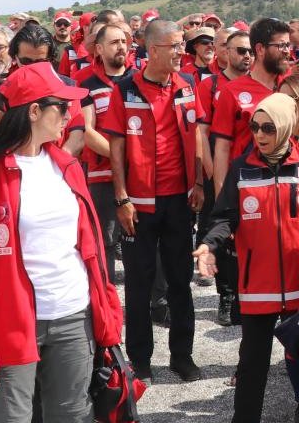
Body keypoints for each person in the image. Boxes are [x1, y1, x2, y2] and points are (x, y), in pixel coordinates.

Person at [0, 63, 123, 423]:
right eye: (61, 106)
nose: (70, 114)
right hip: (9, 323)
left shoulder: (66, 166)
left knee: (72, 417)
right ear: (34, 111)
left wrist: (107, 312)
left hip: (73, 316)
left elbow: (90, 249)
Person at [194, 95, 299, 423]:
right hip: (257, 287)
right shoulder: (241, 168)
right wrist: (209, 245)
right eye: (254, 127)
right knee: (252, 365)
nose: (260, 135)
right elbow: (224, 217)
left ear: (286, 127)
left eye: (268, 127)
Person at [100, 19, 205, 382]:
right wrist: (121, 197)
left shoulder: (188, 85)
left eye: (181, 46)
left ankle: (182, 357)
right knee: (140, 284)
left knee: (180, 282)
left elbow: (198, 137)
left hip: (179, 201)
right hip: (138, 204)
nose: (181, 52)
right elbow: (115, 146)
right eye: (174, 46)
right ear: (152, 49)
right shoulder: (125, 88)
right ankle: (140, 361)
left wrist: (200, 183)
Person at [195, 29, 252, 325]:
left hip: (252, 176)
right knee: (222, 236)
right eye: (240, 50)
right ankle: (226, 296)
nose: (246, 56)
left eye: (249, 51)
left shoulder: (260, 84)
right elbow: (202, 132)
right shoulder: (211, 84)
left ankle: (246, 295)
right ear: (225, 52)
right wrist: (210, 173)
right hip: (221, 173)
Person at [78, 24, 134, 283]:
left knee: (142, 239)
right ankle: (108, 299)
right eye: (114, 42)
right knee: (107, 241)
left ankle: (154, 303)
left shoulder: (140, 80)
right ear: (99, 49)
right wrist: (120, 158)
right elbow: (87, 131)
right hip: (103, 175)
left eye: (124, 41)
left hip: (140, 173)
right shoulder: (88, 85)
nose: (121, 46)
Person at [211, 17, 292, 190]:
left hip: (287, 186)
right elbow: (222, 149)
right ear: (260, 49)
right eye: (281, 46)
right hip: (248, 187)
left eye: (288, 45)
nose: (287, 51)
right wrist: (221, 198)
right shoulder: (231, 91)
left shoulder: (292, 86)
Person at [11, 24, 86, 156]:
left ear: (51, 59)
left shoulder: (68, 88)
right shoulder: (5, 90)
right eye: (26, 61)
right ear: (15, 57)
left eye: (40, 62)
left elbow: (77, 136)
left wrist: (55, 163)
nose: (33, 68)